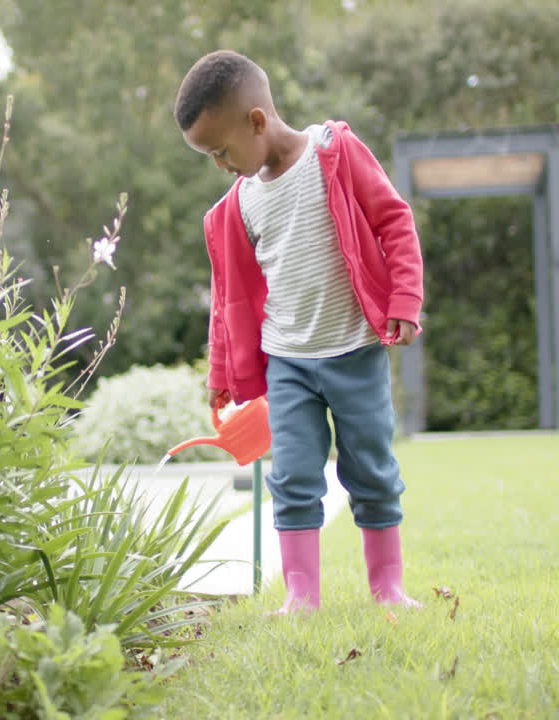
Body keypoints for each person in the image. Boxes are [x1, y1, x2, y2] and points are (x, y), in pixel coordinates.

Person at [174, 50, 425, 613]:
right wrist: (221, 372)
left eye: (221, 151)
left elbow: (394, 220)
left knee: (372, 469)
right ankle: (300, 598)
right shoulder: (240, 205)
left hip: (355, 350)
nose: (220, 165)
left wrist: (405, 299)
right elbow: (229, 300)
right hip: (287, 363)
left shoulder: (335, 153)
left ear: (256, 121)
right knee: (291, 476)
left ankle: (388, 589)